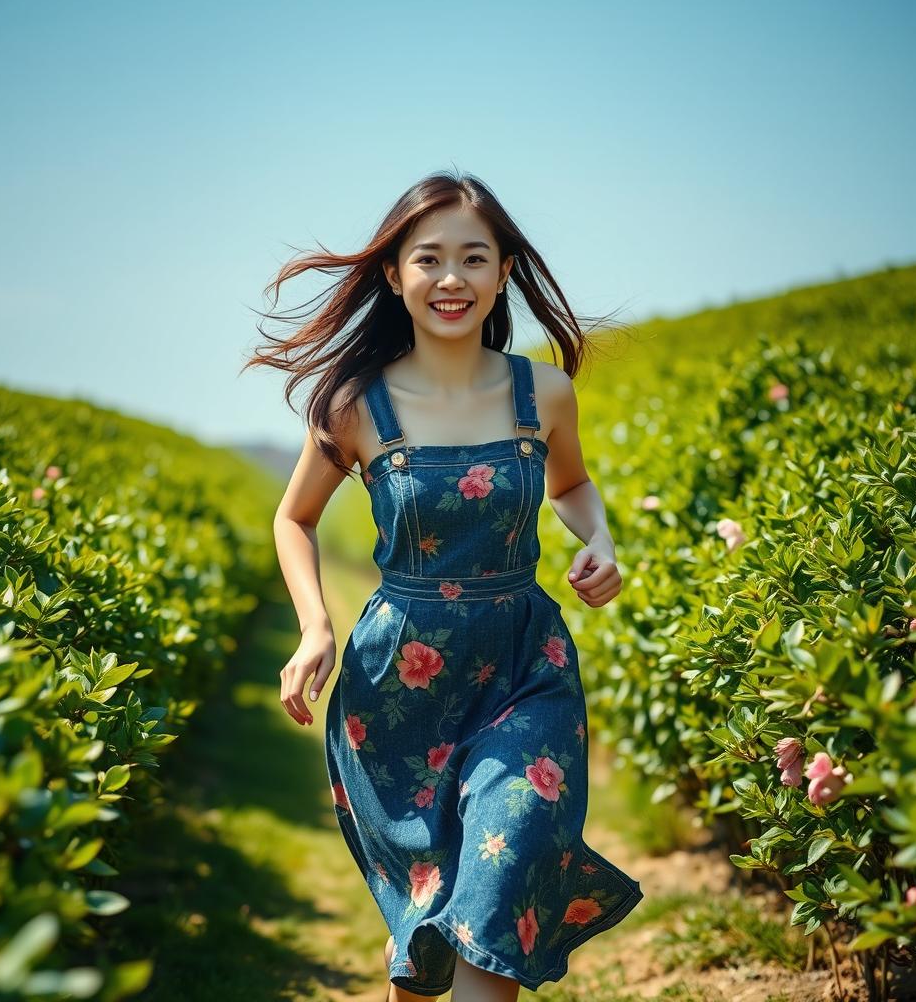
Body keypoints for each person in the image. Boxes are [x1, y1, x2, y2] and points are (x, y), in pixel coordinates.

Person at [252, 171, 643, 1002]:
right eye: (429, 258)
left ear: (505, 272)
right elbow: (295, 519)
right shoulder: (358, 404)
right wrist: (315, 627)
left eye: (475, 257)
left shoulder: (545, 393)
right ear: (395, 275)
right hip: (398, 691)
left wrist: (599, 539)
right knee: (430, 935)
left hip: (524, 668)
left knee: (499, 887)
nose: (452, 278)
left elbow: (571, 487)